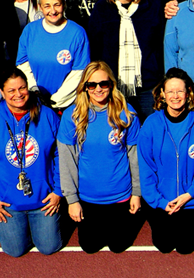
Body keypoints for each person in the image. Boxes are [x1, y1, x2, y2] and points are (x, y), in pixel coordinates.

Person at [0, 68, 62, 258]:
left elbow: (60, 156)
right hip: (8, 203)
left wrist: (58, 192)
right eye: (11, 91)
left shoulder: (47, 115)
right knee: (15, 251)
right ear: (2, 92)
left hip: (44, 201)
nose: (18, 94)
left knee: (49, 248)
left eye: (22, 88)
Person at [57, 61, 141, 254]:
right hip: (88, 197)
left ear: (111, 84)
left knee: (118, 246)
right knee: (90, 246)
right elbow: (66, 160)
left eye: (103, 83)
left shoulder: (126, 112)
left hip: (120, 195)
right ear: (85, 87)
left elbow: (135, 156)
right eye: (92, 85)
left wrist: (137, 193)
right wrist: (72, 200)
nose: (98, 89)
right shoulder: (72, 115)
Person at [138, 68, 194, 254]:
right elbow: (146, 169)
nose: (175, 96)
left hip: (191, 199)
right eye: (170, 91)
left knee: (185, 247)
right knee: (164, 246)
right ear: (162, 94)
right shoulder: (151, 124)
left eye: (180, 91)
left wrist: (190, 193)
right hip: (162, 200)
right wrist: (161, 202)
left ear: (188, 93)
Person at [89, 0, 164, 122]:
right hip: (114, 86)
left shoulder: (153, 5)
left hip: (148, 85)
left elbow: (160, 46)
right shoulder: (102, 9)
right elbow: (95, 48)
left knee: (149, 131)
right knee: (118, 131)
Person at [16, 0, 90, 111]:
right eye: (47, 6)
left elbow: (80, 72)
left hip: (67, 105)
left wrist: (55, 100)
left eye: (57, 4)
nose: (53, 11)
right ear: (40, 7)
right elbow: (23, 65)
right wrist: (35, 92)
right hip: (35, 104)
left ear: (63, 4)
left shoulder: (77, 33)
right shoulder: (30, 31)